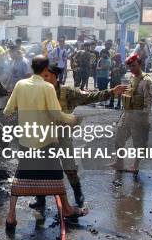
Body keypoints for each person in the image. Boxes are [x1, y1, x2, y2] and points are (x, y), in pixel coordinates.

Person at [3, 56, 87, 232]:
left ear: (32, 67)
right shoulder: (48, 87)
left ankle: (11, 216)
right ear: (45, 68)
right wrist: (73, 118)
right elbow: (57, 116)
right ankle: (67, 209)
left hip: (25, 141)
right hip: (45, 141)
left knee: (20, 177)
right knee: (56, 175)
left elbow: (7, 110)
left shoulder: (20, 85)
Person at [29, 65, 127, 213]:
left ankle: (78, 194)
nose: (43, 79)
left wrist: (111, 92)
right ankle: (40, 200)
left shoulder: (67, 93)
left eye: (47, 76)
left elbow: (88, 97)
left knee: (70, 168)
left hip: (62, 137)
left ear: (56, 77)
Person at [109, 54, 152, 176]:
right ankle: (119, 162)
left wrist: (145, 119)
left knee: (138, 143)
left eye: (134, 66)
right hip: (127, 114)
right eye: (130, 67)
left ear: (140, 64)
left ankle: (135, 165)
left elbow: (148, 102)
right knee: (119, 138)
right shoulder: (132, 78)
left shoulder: (147, 81)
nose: (132, 69)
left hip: (139, 116)